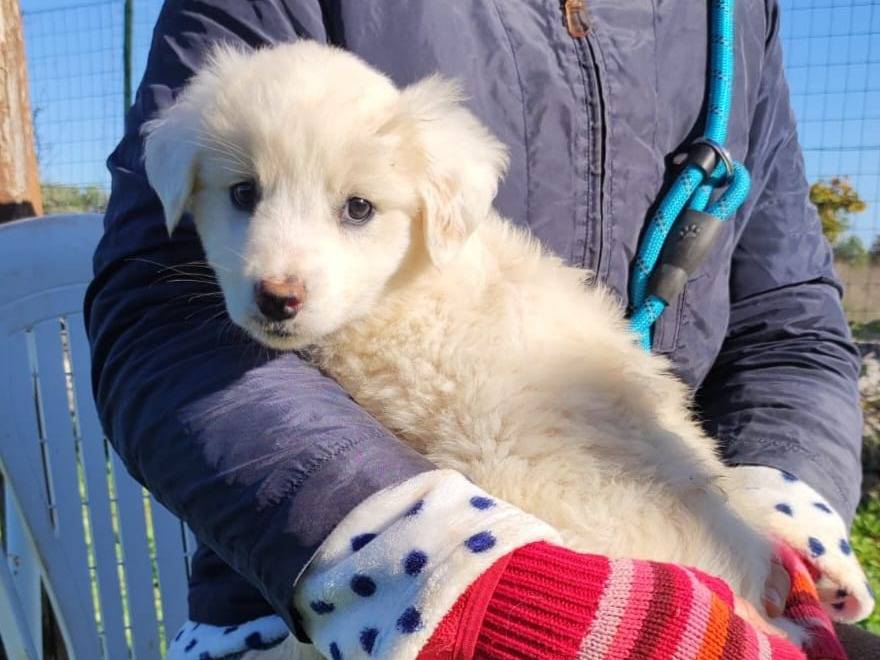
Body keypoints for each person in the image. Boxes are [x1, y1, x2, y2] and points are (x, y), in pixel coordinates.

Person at [85, 0, 875, 657]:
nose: (280, 271)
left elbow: (787, 320)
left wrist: (778, 503)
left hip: (693, 566)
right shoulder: (247, 101)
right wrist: (435, 565)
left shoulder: (737, 18)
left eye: (356, 209)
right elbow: (153, 311)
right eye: (247, 194)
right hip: (310, 607)